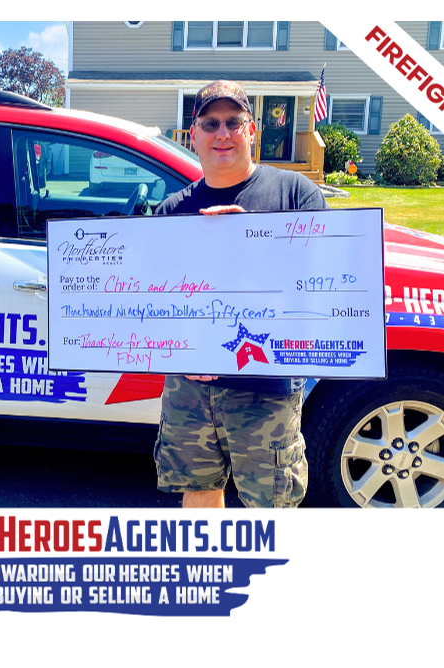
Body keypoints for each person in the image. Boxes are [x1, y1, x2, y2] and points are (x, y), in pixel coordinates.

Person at [153, 80, 327, 509]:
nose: (222, 134)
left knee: (270, 504)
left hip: (264, 384)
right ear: (193, 134)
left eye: (234, 122)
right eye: (210, 123)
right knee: (197, 490)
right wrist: (180, 349)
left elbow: (320, 283)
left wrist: (252, 237)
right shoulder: (171, 211)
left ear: (252, 131)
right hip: (190, 388)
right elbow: (156, 303)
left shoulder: (295, 194)